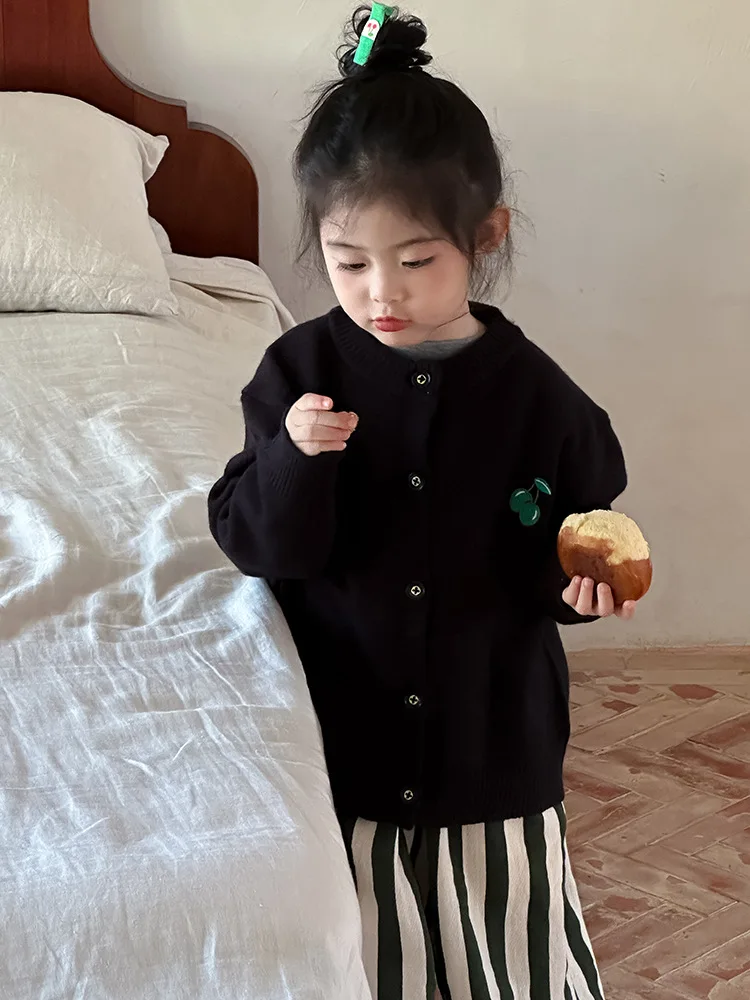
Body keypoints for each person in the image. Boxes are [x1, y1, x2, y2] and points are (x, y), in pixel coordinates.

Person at [209, 6, 639, 998]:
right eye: (348, 263)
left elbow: (574, 534)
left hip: (489, 734)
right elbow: (259, 543)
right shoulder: (300, 372)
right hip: (345, 727)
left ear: (485, 236)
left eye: (415, 262)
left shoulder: (537, 395)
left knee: (505, 943)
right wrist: (295, 461)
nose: (380, 294)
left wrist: (581, 588)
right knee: (367, 951)